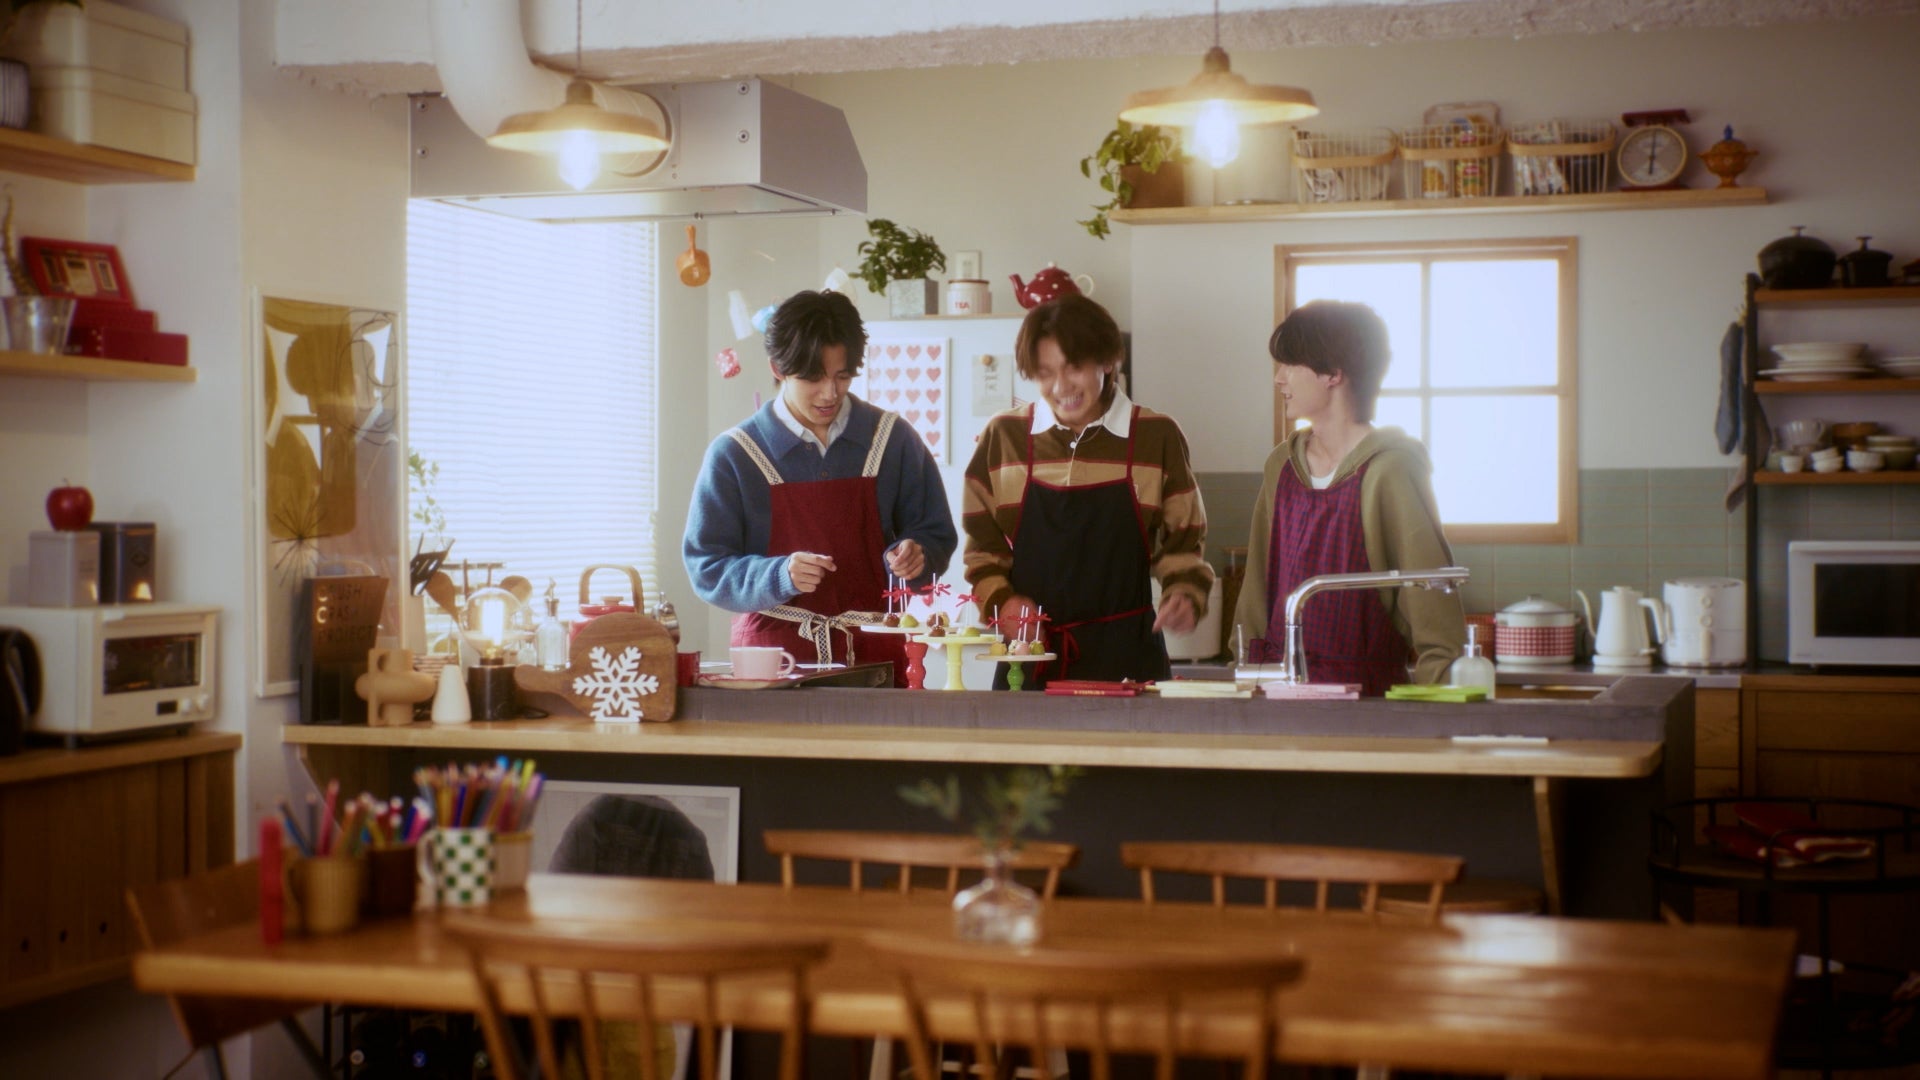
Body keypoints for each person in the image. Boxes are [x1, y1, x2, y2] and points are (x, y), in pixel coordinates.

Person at [684, 290, 956, 685]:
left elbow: (935, 534)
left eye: (842, 376)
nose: (830, 393)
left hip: (875, 655)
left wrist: (918, 556)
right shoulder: (735, 454)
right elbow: (706, 567)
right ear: (778, 368)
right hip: (772, 662)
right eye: (813, 377)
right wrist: (778, 575)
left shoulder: (893, 440)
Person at [962, 294, 1212, 688]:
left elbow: (1183, 545)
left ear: (1107, 361)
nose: (1061, 387)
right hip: (1028, 660)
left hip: (1129, 662)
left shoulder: (1155, 436)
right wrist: (1002, 601)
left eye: (1074, 367)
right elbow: (982, 551)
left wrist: (1184, 593)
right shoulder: (1005, 437)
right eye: (1045, 373)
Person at [1236, 300, 1465, 695]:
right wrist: (1244, 675)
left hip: (1368, 702)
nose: (1279, 378)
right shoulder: (1281, 467)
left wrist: (1443, 703)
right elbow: (1257, 584)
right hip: (1278, 696)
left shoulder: (1391, 469)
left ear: (1333, 373)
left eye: (1290, 364)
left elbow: (1433, 612)